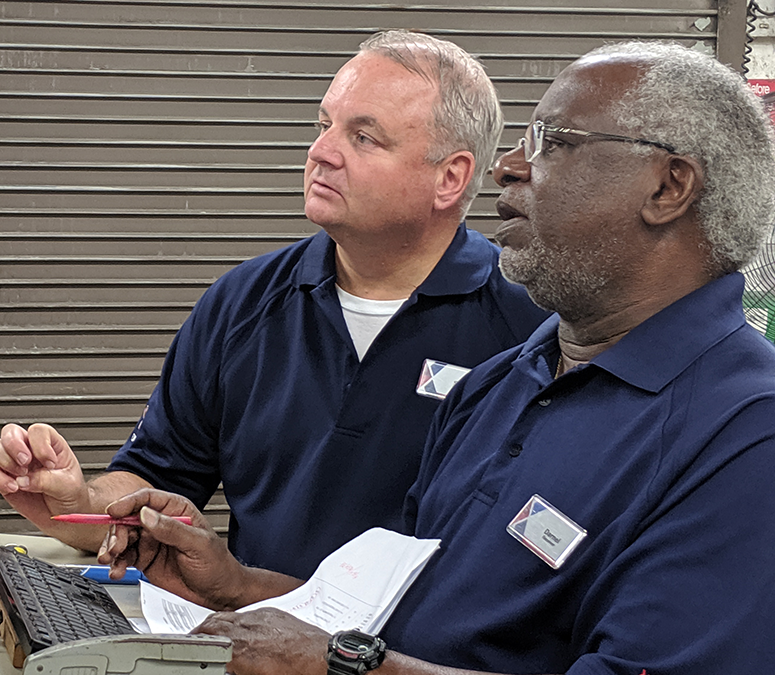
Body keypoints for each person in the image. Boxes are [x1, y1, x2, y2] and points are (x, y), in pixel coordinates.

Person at [98, 41, 775, 675]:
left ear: (668, 186)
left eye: (552, 143)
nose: (508, 166)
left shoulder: (745, 436)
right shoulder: (501, 385)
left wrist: (337, 665)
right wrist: (236, 585)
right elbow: (402, 618)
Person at [0, 31, 550, 579]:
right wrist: (76, 500)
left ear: (449, 178)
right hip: (257, 644)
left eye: (363, 137)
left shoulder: (534, 327)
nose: (320, 152)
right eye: (324, 125)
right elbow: (158, 480)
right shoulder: (243, 303)